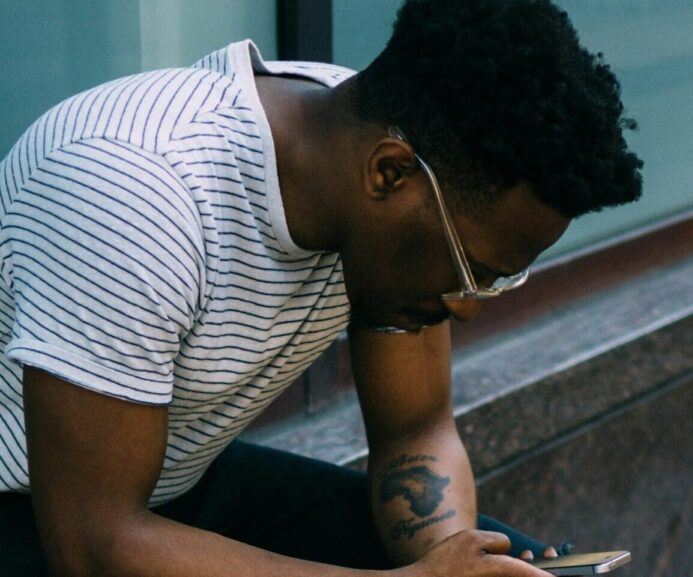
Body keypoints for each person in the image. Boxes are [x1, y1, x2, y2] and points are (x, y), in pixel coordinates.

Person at [0, 0, 643, 575]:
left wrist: (447, 562)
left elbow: (415, 430)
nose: (467, 305)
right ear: (389, 175)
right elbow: (92, 544)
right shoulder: (135, 194)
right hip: (45, 513)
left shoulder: (394, 155)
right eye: (469, 268)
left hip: (176, 481)